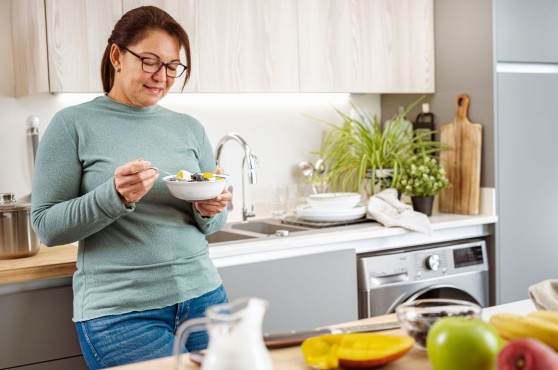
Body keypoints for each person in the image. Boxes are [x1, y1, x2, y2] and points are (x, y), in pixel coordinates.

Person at [31, 6, 232, 369]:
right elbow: (46, 227)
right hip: (120, 313)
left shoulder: (189, 127)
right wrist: (114, 196)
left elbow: (214, 224)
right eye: (151, 61)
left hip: (205, 297)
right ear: (117, 56)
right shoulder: (72, 125)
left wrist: (208, 210)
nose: (162, 76)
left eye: (173, 66)